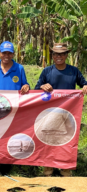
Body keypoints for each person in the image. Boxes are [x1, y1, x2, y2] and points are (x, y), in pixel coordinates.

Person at [35, 43, 87, 177]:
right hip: (49, 112)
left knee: (67, 139)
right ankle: (48, 167)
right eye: (56, 54)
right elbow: (36, 89)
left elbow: (84, 83)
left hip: (68, 112)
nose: (59, 56)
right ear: (52, 56)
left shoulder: (73, 71)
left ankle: (65, 168)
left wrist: (86, 86)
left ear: (66, 55)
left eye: (62, 54)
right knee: (49, 137)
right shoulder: (47, 71)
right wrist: (42, 86)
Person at [0, 41, 29, 175]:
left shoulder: (19, 69)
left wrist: (26, 86)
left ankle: (7, 162)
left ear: (13, 54)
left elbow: (25, 84)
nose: (6, 55)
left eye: (9, 53)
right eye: (4, 53)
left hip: (13, 110)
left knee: (11, 135)